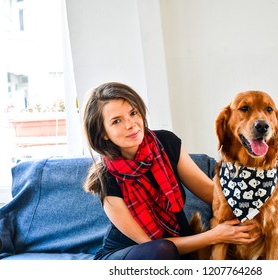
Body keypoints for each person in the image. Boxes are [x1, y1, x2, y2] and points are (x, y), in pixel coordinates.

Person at [83, 82, 260, 260]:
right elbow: (149, 245)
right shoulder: (104, 178)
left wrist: (261, 209)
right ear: (103, 132)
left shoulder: (166, 143)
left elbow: (214, 196)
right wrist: (214, 236)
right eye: (116, 121)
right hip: (131, 254)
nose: (131, 124)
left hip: (177, 246)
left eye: (133, 113)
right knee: (161, 250)